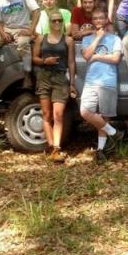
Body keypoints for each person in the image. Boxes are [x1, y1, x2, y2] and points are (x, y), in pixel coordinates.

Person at [80, 9, 124, 164]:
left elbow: (115, 59)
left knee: (103, 118)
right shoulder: (87, 39)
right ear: (92, 21)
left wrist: (97, 56)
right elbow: (86, 56)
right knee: (85, 112)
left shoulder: (115, 39)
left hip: (108, 81)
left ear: (106, 20)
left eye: (101, 18)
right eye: (95, 18)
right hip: (91, 81)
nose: (98, 20)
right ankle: (114, 132)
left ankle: (100, 151)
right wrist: (97, 38)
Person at [32, 11, 77, 163]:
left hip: (60, 79)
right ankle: (51, 146)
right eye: (54, 21)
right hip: (43, 77)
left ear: (63, 23)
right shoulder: (41, 38)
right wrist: (45, 61)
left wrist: (72, 83)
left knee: (58, 115)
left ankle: (57, 147)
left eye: (59, 21)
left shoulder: (68, 40)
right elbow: (34, 58)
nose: (57, 23)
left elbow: (71, 62)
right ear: (49, 23)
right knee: (46, 115)